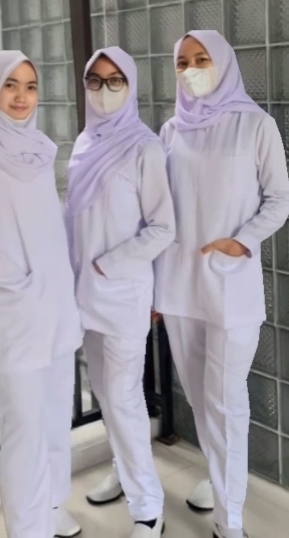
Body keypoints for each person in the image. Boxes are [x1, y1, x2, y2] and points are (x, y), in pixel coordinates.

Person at [154, 30, 289, 538]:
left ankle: (229, 520)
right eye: (183, 62)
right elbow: (159, 208)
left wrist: (242, 241)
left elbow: (279, 199)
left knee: (226, 400)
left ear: (224, 63)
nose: (192, 69)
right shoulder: (171, 131)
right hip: (178, 286)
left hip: (231, 288)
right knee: (198, 396)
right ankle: (220, 476)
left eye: (202, 59)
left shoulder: (255, 125)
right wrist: (151, 283)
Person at [0, 50, 83, 538]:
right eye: (10, 85)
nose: (22, 96)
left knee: (54, 418)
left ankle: (51, 506)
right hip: (15, 307)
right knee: (24, 427)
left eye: (30, 86)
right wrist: (18, 280)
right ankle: (27, 529)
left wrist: (57, 284)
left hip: (57, 307)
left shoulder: (41, 149)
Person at [65, 47, 176, 538]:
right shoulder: (84, 142)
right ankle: (124, 470)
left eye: (116, 81)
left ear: (130, 86)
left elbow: (163, 227)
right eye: (95, 80)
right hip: (83, 293)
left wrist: (108, 265)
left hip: (122, 292)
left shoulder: (144, 147)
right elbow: (75, 218)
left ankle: (148, 506)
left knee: (124, 396)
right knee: (105, 392)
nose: (105, 90)